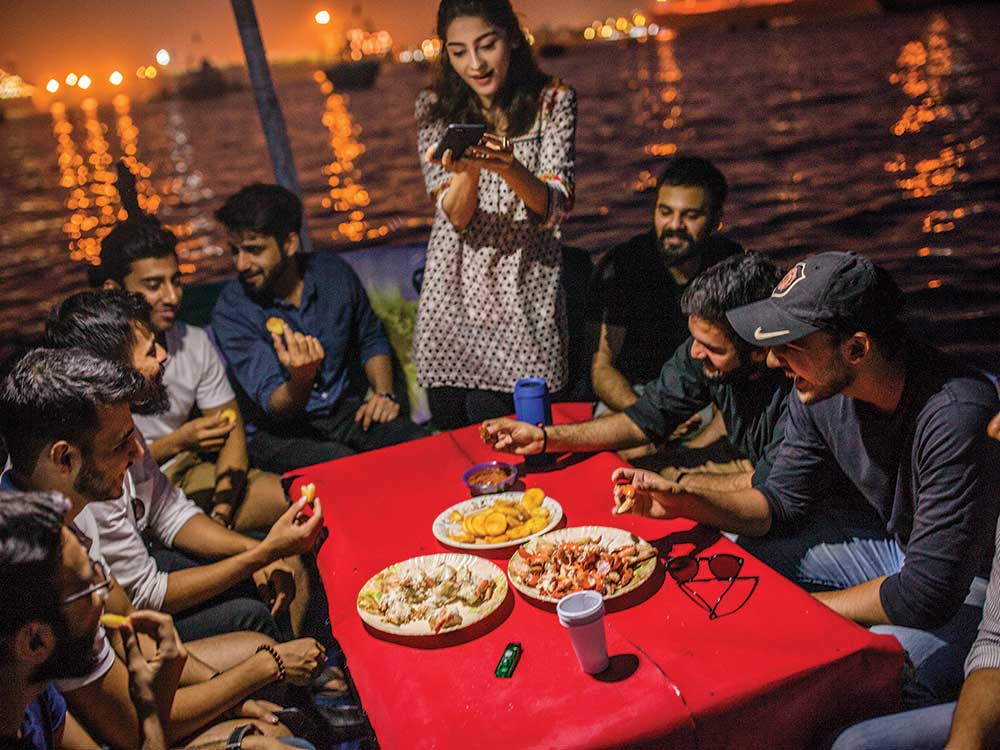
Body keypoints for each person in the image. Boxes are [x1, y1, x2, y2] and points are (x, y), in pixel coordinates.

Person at [612, 252, 1000, 711]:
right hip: (897, 552)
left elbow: (927, 595)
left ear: (856, 348)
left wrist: (796, 612)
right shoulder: (819, 391)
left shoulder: (954, 415)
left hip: (971, 590)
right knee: (740, 561)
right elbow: (781, 503)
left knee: (887, 673)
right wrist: (685, 501)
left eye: (791, 344)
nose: (775, 361)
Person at [0, 348, 328, 748]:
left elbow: (124, 620)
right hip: (128, 725)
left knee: (269, 705)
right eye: (122, 444)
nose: (139, 453)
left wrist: (235, 695)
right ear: (64, 458)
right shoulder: (35, 565)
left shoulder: (54, 510)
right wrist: (263, 669)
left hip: (131, 704)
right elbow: (133, 731)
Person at [44, 289, 328, 644]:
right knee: (252, 614)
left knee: (277, 572)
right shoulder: (87, 466)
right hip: (115, 627)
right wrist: (261, 554)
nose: (164, 356)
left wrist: (253, 552)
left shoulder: (120, 421)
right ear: (111, 368)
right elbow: (143, 594)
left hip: (147, 565)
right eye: (150, 350)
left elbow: (169, 511)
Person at [482, 252, 790, 493]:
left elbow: (772, 487)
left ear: (759, 350)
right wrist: (546, 438)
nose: (696, 353)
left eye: (712, 347)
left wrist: (676, 483)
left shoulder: (798, 386)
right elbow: (643, 419)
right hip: (760, 472)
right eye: (694, 339)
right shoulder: (704, 352)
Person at [414, 0, 577, 429]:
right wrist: (467, 170)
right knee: (460, 428)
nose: (475, 63)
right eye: (458, 51)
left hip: (525, 282)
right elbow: (455, 215)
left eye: (486, 45)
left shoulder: (553, 101)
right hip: (454, 289)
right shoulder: (433, 107)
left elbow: (555, 207)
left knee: (529, 422)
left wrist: (510, 167)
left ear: (512, 39)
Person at [212, 183, 426, 474]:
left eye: (254, 250)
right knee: (344, 469)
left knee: (417, 444)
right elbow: (277, 406)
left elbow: (370, 339)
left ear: (289, 243)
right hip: (278, 433)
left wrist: (384, 394)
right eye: (234, 251)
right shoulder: (232, 310)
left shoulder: (332, 274)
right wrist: (302, 378)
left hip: (343, 413)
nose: (241, 263)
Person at [91, 217, 287, 532]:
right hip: (124, 491)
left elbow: (231, 433)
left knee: (297, 501)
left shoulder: (192, 343)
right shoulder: (91, 363)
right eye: (154, 285)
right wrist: (179, 441)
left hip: (188, 473)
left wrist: (223, 511)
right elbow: (95, 474)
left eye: (176, 281)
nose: (171, 297)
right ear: (114, 291)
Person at [830, 409, 1000, 750]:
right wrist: (966, 741)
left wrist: (807, 606)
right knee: (856, 742)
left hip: (954, 591)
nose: (995, 428)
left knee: (894, 655)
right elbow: (995, 646)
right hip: (906, 564)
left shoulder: (955, 414)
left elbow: (924, 592)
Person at [0, 489, 184, 750]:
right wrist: (150, 713)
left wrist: (147, 706)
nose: (104, 594)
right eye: (87, 589)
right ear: (35, 641)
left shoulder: (31, 690)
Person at [587, 155, 743, 421]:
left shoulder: (730, 263)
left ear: (716, 219)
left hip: (709, 394)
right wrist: (651, 416)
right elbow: (601, 367)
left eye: (690, 216)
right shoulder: (623, 266)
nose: (674, 226)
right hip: (635, 395)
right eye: (665, 211)